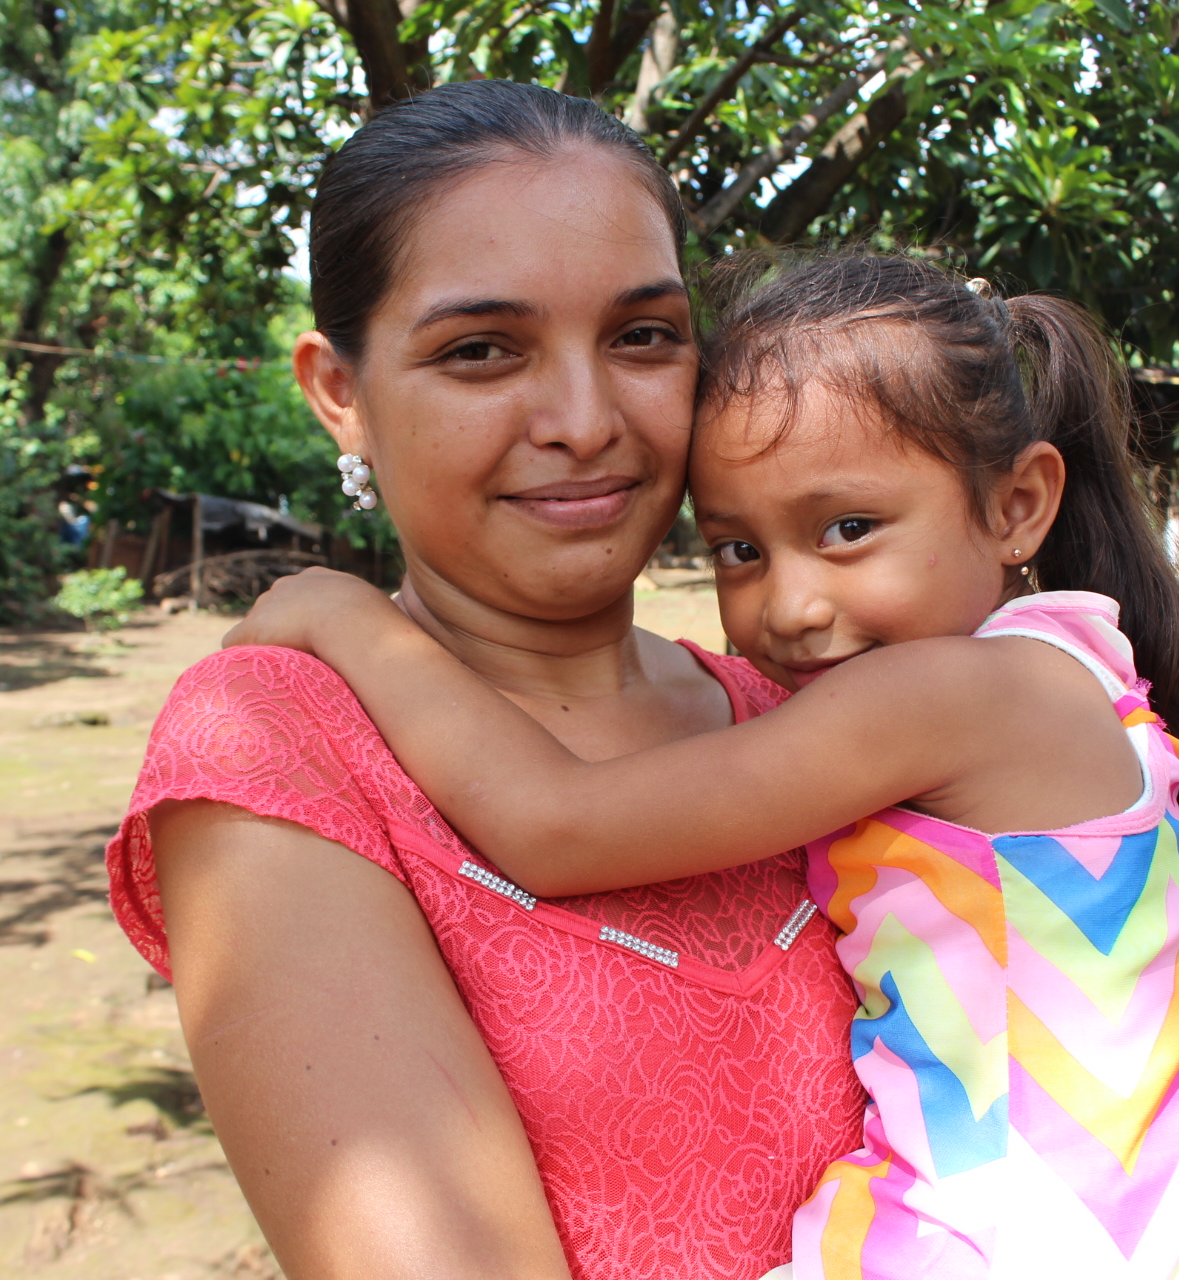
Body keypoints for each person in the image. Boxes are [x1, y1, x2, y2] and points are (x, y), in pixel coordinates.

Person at [225, 251, 1179, 1279]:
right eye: (739, 549)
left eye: (848, 527)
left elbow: (558, 824)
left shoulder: (947, 694)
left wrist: (348, 618)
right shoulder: (1076, 669)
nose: (790, 606)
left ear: (1018, 505)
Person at [104, 81, 865, 1280]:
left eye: (643, 336)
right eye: (480, 351)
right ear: (340, 392)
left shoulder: (814, 708)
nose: (584, 420)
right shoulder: (278, 751)